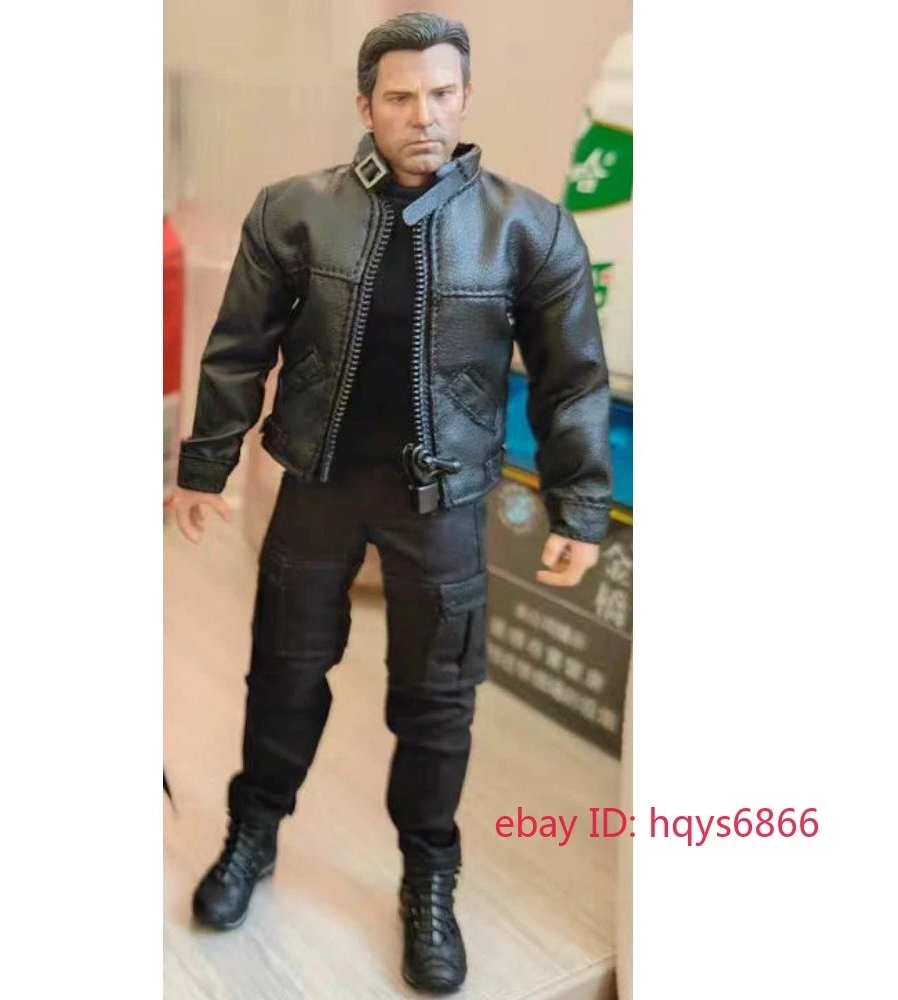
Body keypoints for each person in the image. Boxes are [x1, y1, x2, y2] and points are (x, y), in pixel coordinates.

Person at [172, 11, 613, 994]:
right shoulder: (295, 211)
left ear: (466, 95)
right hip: (318, 486)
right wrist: (205, 465)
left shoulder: (526, 227)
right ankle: (253, 831)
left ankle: (429, 877)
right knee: (283, 672)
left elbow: (571, 380)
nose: (425, 115)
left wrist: (581, 507)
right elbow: (239, 347)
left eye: (442, 93)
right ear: (366, 104)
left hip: (443, 501)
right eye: (402, 97)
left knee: (438, 698)